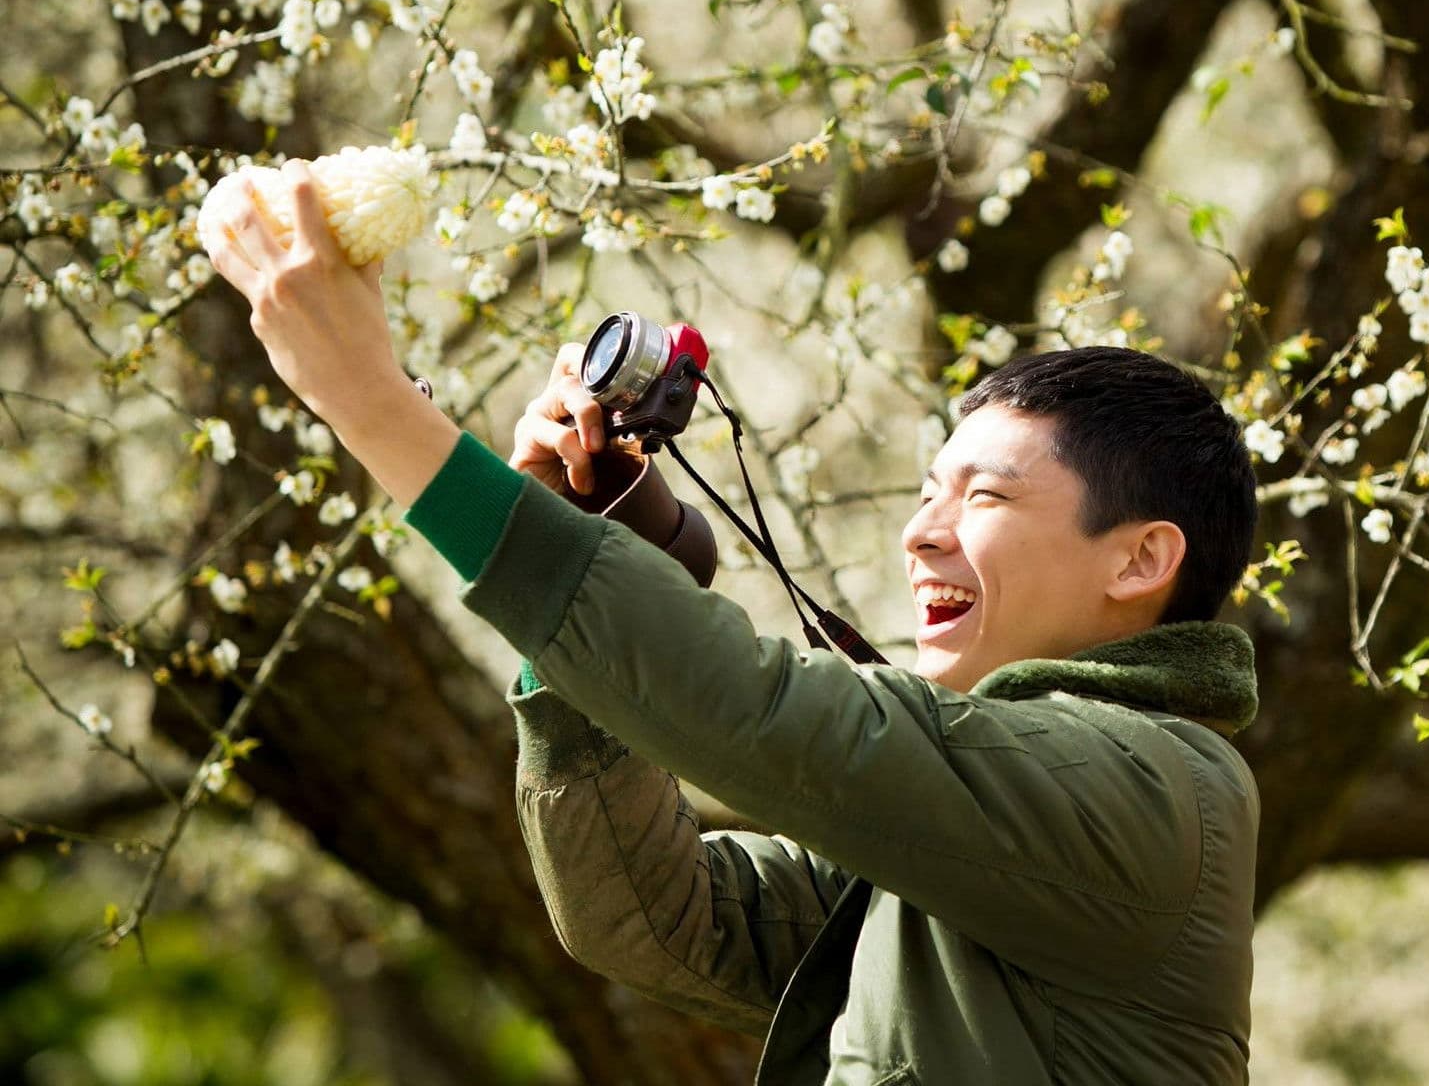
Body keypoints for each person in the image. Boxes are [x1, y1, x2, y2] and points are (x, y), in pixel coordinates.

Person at [202, 164, 1263, 1083]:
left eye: (981, 498)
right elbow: (660, 922)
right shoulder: (973, 838)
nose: (920, 536)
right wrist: (592, 582)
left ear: (1140, 558)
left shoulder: (1152, 793)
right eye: (925, 493)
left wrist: (371, 402)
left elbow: (779, 723)